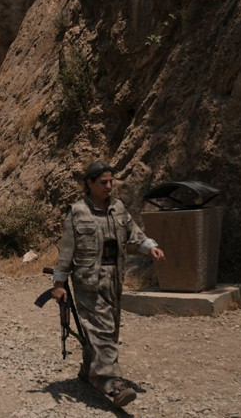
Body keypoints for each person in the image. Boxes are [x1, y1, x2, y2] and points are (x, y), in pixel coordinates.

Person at [51, 161, 165, 408]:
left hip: (114, 281)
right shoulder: (78, 212)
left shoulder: (117, 208)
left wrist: (150, 247)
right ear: (90, 183)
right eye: (103, 182)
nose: (109, 186)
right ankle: (113, 385)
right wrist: (58, 283)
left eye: (111, 181)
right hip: (88, 284)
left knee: (108, 330)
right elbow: (66, 252)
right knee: (102, 331)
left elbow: (134, 235)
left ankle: (88, 371)